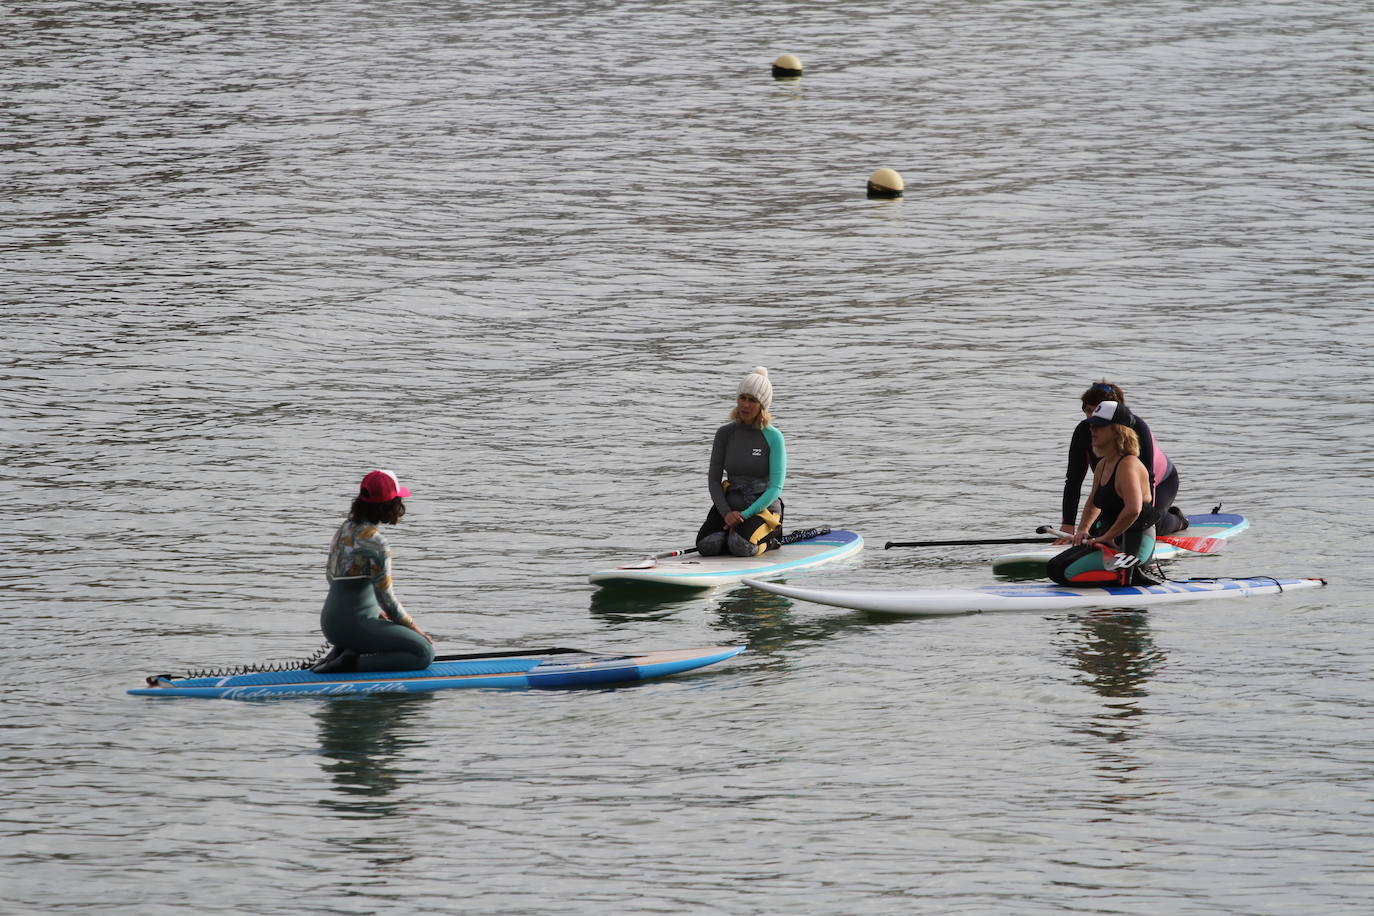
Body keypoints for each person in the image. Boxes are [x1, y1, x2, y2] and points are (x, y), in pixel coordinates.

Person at [313, 469, 435, 674]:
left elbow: (330, 576)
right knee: (424, 653)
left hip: (330, 623)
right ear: (390, 505)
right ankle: (349, 664)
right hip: (356, 626)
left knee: (393, 635)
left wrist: (372, 610)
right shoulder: (377, 543)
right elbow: (387, 599)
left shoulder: (344, 529)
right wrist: (415, 629)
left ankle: (345, 652)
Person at [1048, 402, 1160, 587]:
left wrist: (1107, 537)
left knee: (1065, 572)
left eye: (1099, 426)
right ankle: (1118, 574)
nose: (1092, 429)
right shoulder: (1103, 464)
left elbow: (1133, 509)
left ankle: (1132, 574)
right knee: (1054, 567)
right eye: (1091, 425)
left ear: (1118, 431)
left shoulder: (1129, 465)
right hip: (1112, 539)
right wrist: (1083, 529)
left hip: (1134, 542)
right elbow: (1093, 502)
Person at [1059, 380, 1186, 538]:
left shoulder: (1138, 429)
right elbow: (1074, 481)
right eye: (1088, 410)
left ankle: (1178, 520)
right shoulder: (1085, 431)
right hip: (1119, 486)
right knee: (1097, 528)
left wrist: (1147, 526)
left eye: (1097, 412)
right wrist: (1069, 526)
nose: (1091, 420)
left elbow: (1149, 480)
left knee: (1153, 524)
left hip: (1161, 483)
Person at [695, 367, 787, 558]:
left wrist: (744, 516)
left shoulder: (774, 437)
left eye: (752, 400)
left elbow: (776, 488)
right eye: (742, 398)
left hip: (762, 509)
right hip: (730, 507)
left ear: (762, 405)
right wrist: (727, 514)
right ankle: (732, 535)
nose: (745, 405)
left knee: (741, 546)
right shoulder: (724, 434)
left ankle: (772, 539)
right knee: (706, 546)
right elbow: (714, 481)